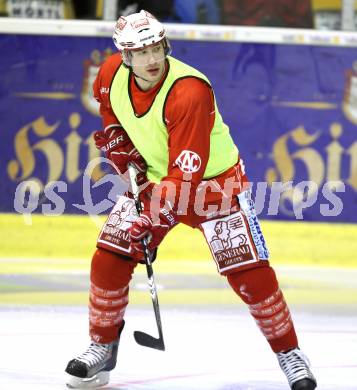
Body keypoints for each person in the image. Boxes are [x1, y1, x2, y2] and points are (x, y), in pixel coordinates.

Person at [65, 10, 317, 390]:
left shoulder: (190, 91)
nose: (152, 59)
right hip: (154, 179)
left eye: (157, 48)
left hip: (214, 186)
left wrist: (153, 216)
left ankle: (290, 353)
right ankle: (102, 346)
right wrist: (117, 140)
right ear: (125, 55)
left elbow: (186, 174)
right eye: (140, 51)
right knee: (110, 256)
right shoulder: (109, 73)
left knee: (249, 274)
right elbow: (109, 110)